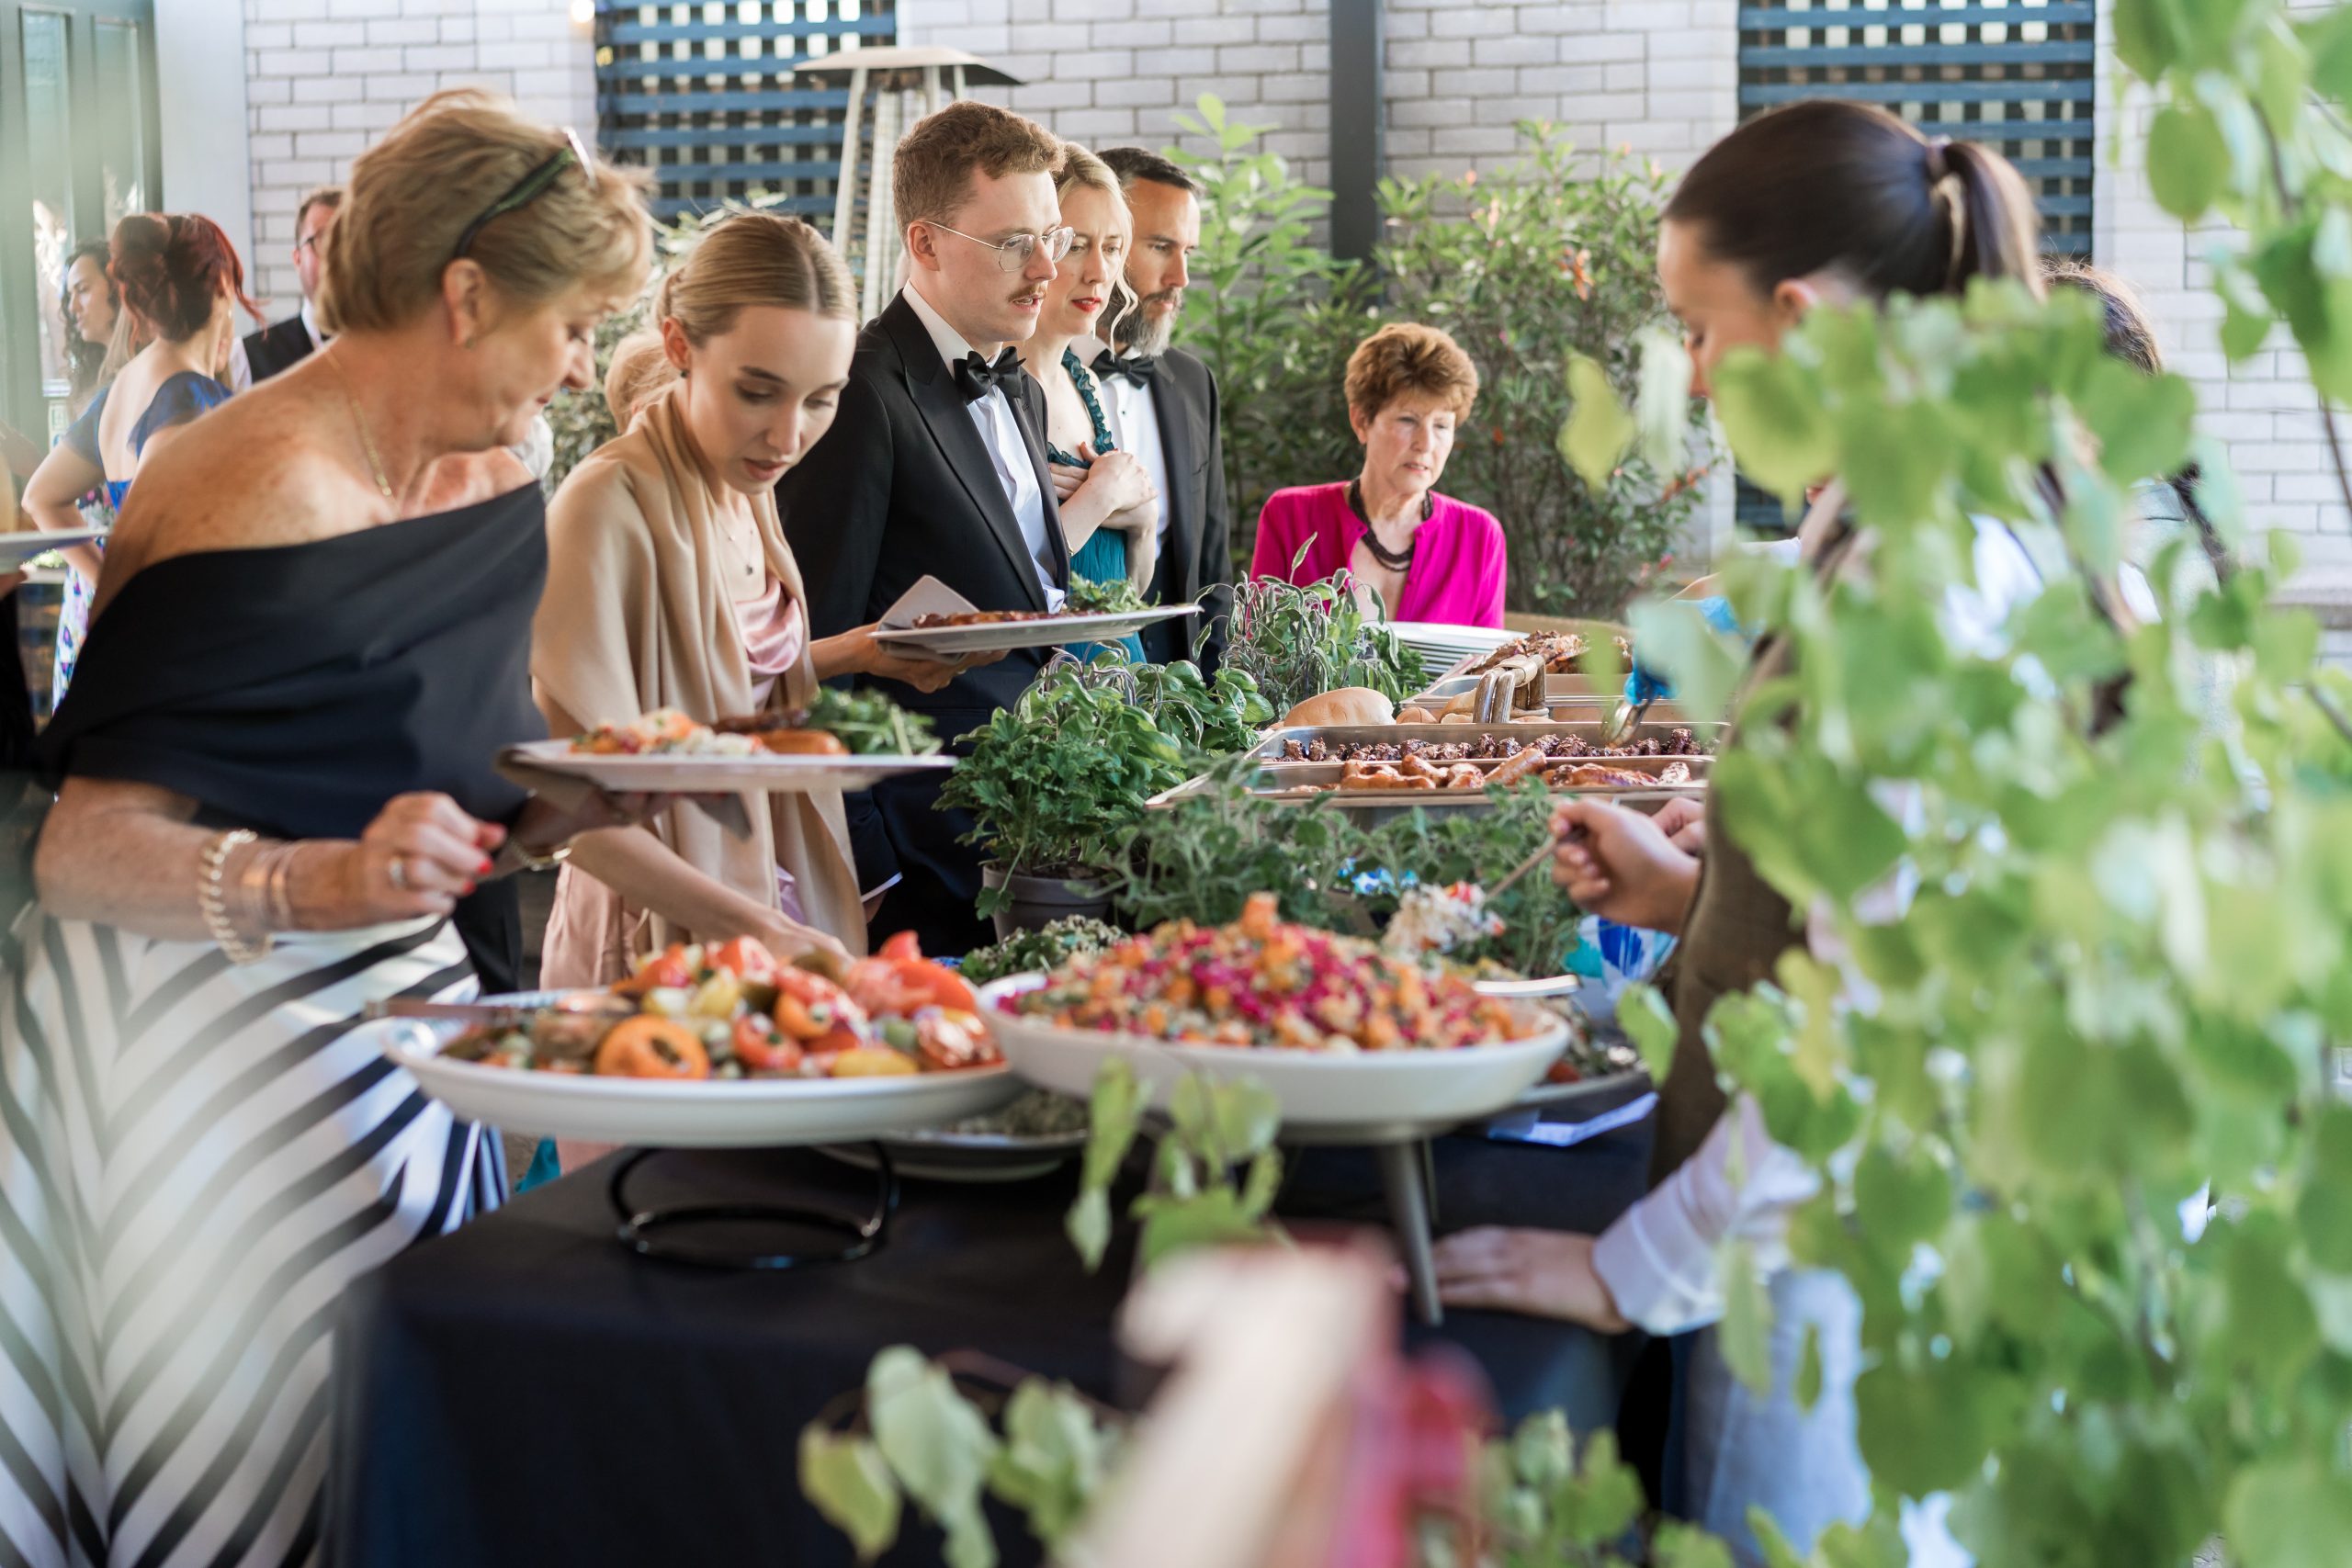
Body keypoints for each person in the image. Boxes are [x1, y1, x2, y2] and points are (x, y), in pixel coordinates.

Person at [0, 89, 653, 1566]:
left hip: (407, 1040)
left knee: (387, 1475)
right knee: (248, 1495)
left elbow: (439, 777)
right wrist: (323, 879)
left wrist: (568, 800)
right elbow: (82, 847)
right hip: (193, 1060)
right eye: (569, 325)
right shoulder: (241, 481)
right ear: (467, 294)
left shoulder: (505, 471)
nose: (580, 364)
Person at [1429, 101, 2064, 1567]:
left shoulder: (1917, 577)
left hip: (1818, 1293)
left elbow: (1874, 1015)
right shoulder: (1929, 520)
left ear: (1796, 319)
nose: (1696, 377)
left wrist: (1625, 1268)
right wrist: (1692, 892)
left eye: (1699, 333)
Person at [538, 211, 969, 987]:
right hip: (656, 944)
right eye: (757, 391)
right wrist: (761, 928)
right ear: (678, 347)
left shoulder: (743, 483)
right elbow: (574, 805)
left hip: (771, 904)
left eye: (820, 399)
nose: (788, 435)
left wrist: (858, 653)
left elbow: (726, 688)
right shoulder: (606, 503)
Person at [776, 97, 1068, 954]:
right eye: (1016, 241)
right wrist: (869, 863)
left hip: (1025, 825)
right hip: (918, 850)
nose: (1047, 265)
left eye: (1053, 235)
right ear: (926, 243)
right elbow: (815, 646)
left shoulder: (1018, 381)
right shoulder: (861, 390)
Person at [21, 212, 254, 699]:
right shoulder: (186, 397)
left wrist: (107, 582)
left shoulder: (124, 385)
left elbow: (42, 496)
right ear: (223, 286)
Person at [1250, 321, 1506, 627]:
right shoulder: (1291, 517)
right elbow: (1258, 658)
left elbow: (1491, 671)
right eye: (1408, 420)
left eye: (1441, 426)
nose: (1425, 444)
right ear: (1360, 420)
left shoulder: (1479, 537)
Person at [1018, 143, 1159, 661]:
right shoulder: (989, 393)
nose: (1099, 272)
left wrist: (1143, 520)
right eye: (1077, 245)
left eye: (1113, 247)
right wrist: (1098, 499)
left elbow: (1129, 594)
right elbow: (1006, 587)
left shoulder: (1088, 386)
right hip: (1053, 700)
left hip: (1124, 684)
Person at [1096, 146, 1232, 667]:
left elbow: (1213, 568)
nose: (1181, 277)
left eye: (1188, 252)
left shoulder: (1193, 383)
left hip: (1181, 700)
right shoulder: (1028, 378)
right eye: (1159, 246)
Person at [233, 184, 342, 388]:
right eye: (324, 240)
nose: (339, 255)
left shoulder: (394, 349)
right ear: (297, 259)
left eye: (350, 239)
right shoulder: (246, 358)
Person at [62, 238, 119, 412]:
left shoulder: (146, 370)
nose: (73, 307)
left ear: (117, 287)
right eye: (71, 295)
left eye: (83, 289)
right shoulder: (96, 373)